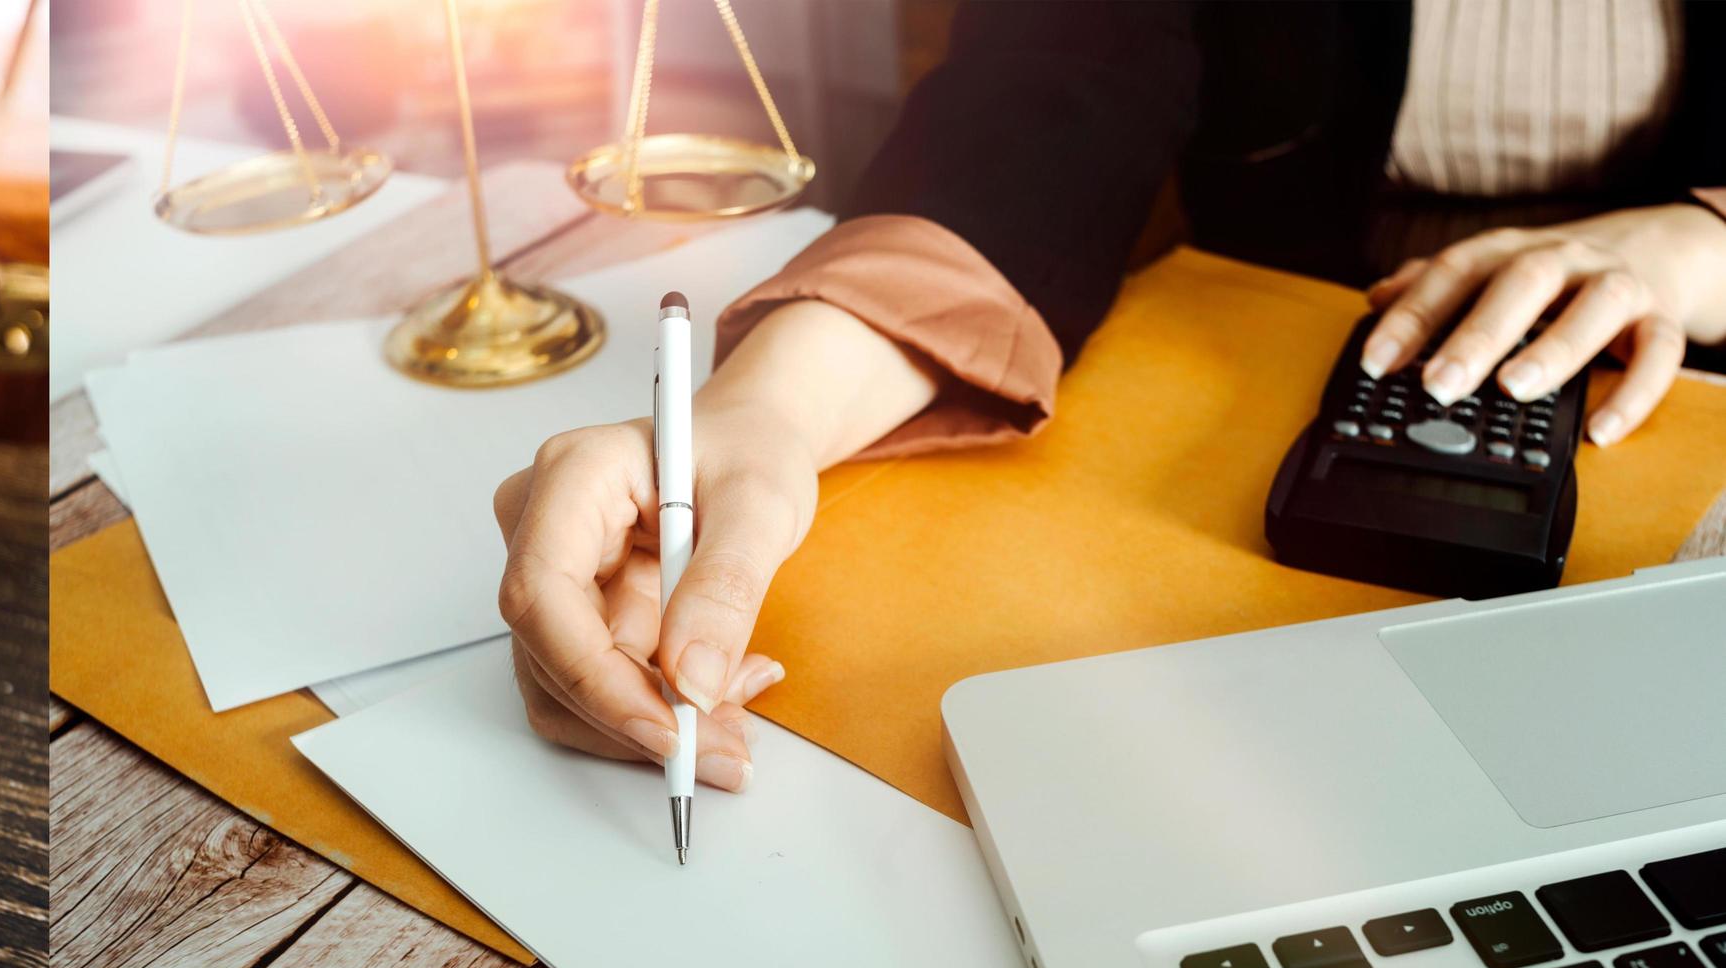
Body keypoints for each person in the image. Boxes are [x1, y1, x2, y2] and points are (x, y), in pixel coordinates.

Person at [496, 1, 1726, 790]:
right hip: (1239, 362)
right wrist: (768, 409)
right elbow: (1051, 89)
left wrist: (1699, 241)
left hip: (1669, 392)